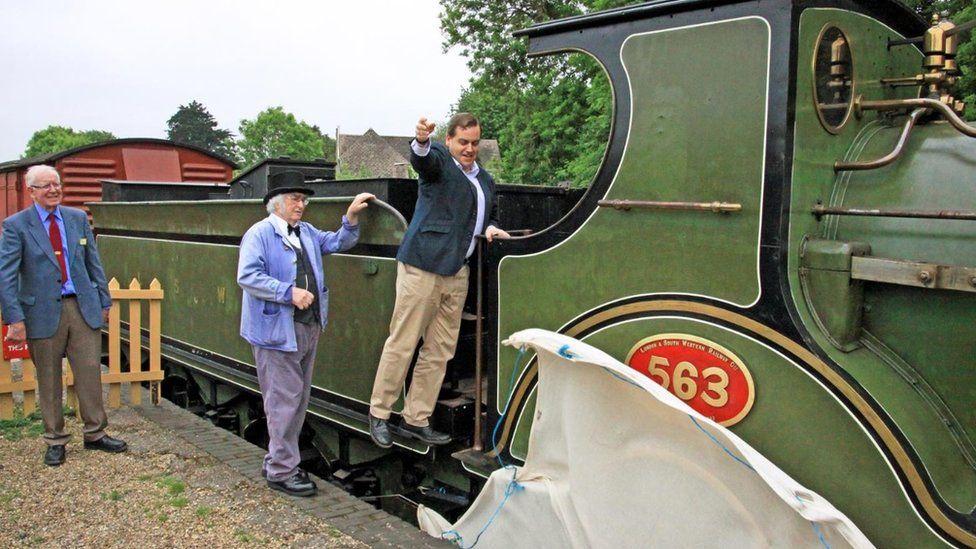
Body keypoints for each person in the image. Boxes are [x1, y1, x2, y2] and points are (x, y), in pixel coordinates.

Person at [368, 113, 509, 448]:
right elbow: (423, 161)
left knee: (440, 350)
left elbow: (484, 217)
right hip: (423, 266)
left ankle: (416, 419)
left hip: (458, 271)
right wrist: (420, 141)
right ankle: (379, 413)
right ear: (449, 140)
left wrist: (489, 228)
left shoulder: (485, 180)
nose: (470, 149)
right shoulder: (440, 162)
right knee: (403, 342)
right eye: (463, 142)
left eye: (475, 143)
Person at [238, 170, 373, 497]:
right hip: (276, 331)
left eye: (303, 199)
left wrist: (351, 217)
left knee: (296, 400)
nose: (302, 204)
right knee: (283, 401)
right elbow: (248, 276)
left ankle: (278, 460)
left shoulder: (307, 232)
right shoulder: (259, 234)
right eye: (295, 199)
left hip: (308, 326)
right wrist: (288, 292)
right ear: (276, 203)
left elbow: (339, 241)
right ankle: (281, 471)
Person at [0, 164, 127, 466]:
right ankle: (55, 439)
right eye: (45, 186)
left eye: (56, 184)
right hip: (41, 310)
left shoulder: (77, 218)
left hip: (81, 306)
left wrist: (103, 301)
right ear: (32, 192)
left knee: (89, 374)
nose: (53, 190)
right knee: (49, 378)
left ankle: (95, 433)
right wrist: (14, 318)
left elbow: (93, 262)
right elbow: (6, 275)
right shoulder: (16, 226)